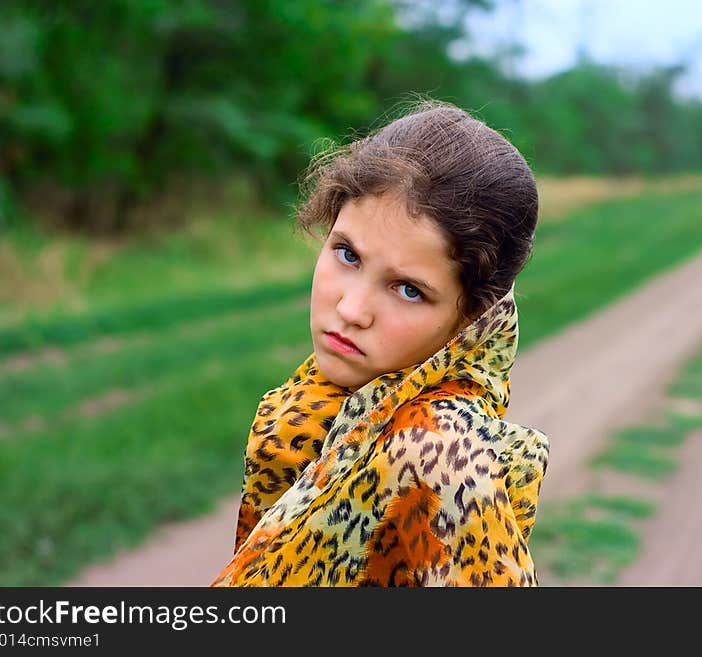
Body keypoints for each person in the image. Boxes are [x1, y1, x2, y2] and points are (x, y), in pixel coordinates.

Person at [211, 99, 550, 587]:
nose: (351, 309)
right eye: (347, 254)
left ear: (473, 316)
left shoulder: (438, 453)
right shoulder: (321, 407)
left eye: (409, 289)